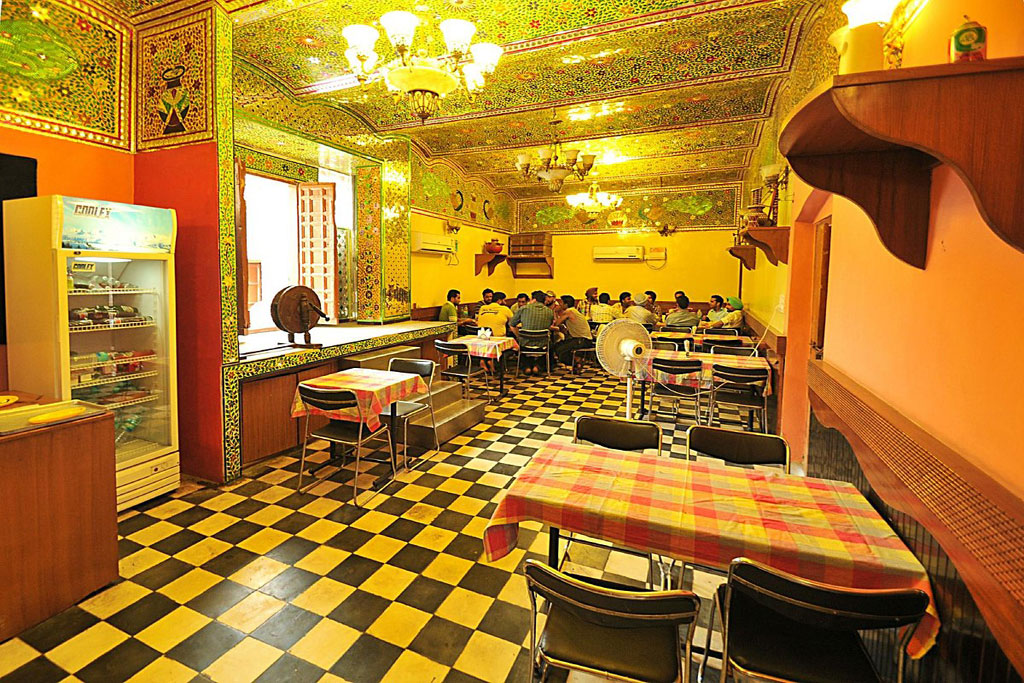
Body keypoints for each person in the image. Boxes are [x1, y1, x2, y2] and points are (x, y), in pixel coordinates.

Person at [510, 291, 556, 375]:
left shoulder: (523, 309)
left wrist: (518, 336)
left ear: (534, 299)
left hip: (525, 342)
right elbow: (549, 326)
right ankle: (539, 366)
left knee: (523, 345)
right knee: (550, 345)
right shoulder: (549, 311)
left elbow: (511, 324)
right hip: (542, 343)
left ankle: (526, 366)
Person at [552, 295, 593, 369]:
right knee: (559, 346)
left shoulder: (569, 311)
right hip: (585, 339)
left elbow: (556, 323)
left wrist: (555, 311)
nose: (560, 305)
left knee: (558, 349)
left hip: (581, 340)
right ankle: (577, 361)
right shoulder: (574, 311)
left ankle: (577, 361)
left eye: (561, 303)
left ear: (566, 304)